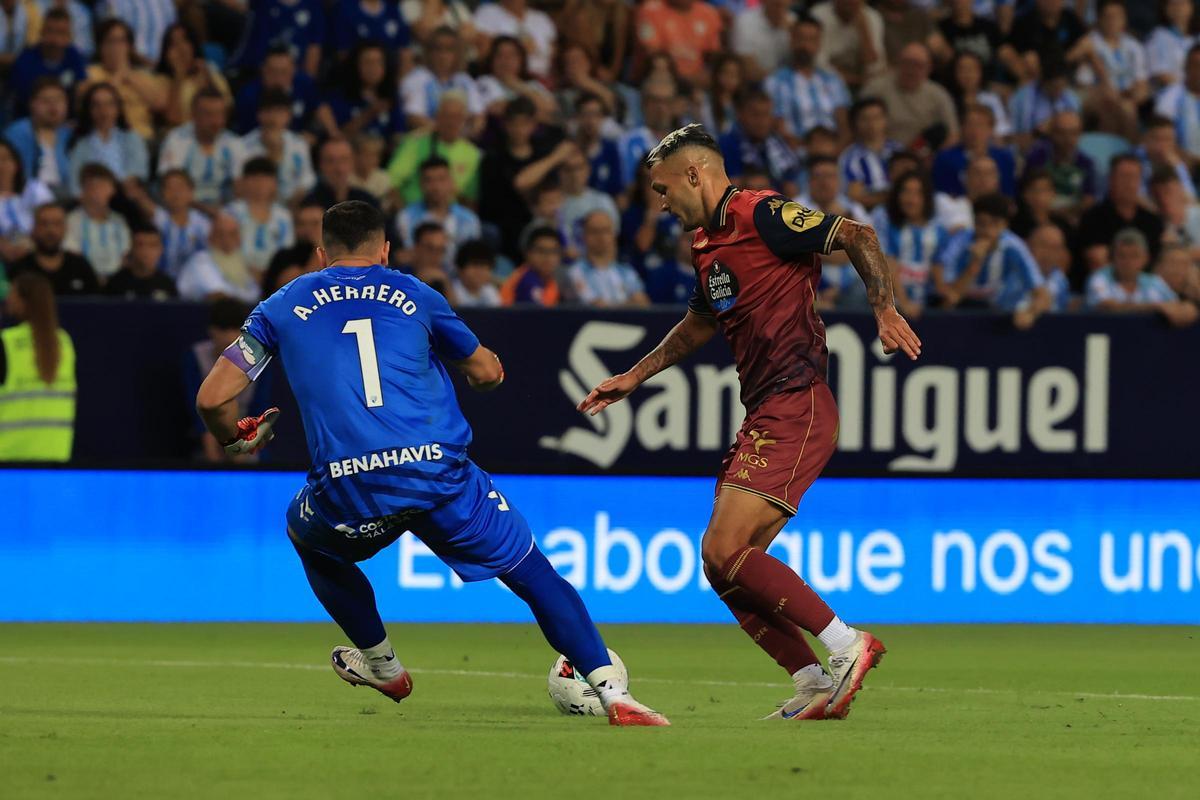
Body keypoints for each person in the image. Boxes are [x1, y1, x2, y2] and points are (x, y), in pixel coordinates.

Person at [194, 200, 668, 725]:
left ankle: (383, 665)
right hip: (438, 475)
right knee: (531, 571)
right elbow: (486, 372)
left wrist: (235, 438)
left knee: (307, 538)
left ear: (322, 254)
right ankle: (613, 693)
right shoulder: (416, 294)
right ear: (385, 250)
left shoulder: (280, 306)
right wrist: (480, 371)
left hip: (351, 485)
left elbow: (212, 399)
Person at [577, 125, 920, 720]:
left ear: (694, 174)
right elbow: (700, 323)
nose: (661, 203)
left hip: (797, 402)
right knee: (723, 566)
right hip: (766, 409)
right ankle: (812, 681)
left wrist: (883, 308)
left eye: (663, 189)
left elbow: (856, 234)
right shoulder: (705, 245)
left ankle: (847, 644)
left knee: (723, 546)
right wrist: (635, 375)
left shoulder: (760, 213)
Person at [0, 271, 75, 462]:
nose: (7, 299)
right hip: (56, 456)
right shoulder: (65, 343)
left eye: (12, 293)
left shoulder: (7, 343)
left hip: (9, 459)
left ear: (23, 301)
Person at [933, 192, 1049, 313]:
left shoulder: (1014, 247)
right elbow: (949, 299)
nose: (987, 231)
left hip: (999, 312)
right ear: (974, 223)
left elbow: (1042, 294)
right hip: (959, 311)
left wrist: (1030, 313)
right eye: (981, 223)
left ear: (1005, 225)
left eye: (995, 224)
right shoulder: (959, 242)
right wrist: (974, 265)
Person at [765, 17, 851, 146]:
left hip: (834, 151)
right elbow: (778, 128)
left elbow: (844, 126)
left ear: (819, 44)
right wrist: (809, 150)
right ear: (792, 41)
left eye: (812, 40)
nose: (805, 45)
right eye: (801, 39)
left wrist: (835, 150)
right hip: (795, 152)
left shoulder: (833, 80)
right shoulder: (775, 82)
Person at [386, 91, 481, 206]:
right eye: (447, 116)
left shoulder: (472, 153)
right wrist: (405, 212)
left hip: (451, 214)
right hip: (414, 210)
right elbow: (390, 182)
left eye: (457, 116)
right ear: (438, 117)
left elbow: (470, 198)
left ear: (464, 119)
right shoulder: (415, 143)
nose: (452, 122)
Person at [78, 18, 167, 141]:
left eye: (121, 41)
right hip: (105, 138)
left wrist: (130, 77)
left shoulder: (142, 75)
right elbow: (86, 103)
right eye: (110, 41)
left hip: (142, 137)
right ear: (100, 47)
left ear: (129, 47)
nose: (116, 47)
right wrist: (118, 76)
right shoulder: (90, 73)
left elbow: (160, 104)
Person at [1076, 154, 1165, 274]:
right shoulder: (1093, 218)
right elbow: (1096, 261)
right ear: (1111, 179)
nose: (1129, 183)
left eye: (1134, 177)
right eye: (1124, 177)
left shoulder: (1152, 221)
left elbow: (1159, 261)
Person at [158, 87, 245, 209]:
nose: (216, 121)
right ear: (193, 115)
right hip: (185, 210)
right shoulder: (177, 139)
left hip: (225, 211)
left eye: (220, 114)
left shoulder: (234, 142)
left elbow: (241, 187)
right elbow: (172, 188)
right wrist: (210, 213)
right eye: (209, 115)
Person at [861, 42, 959, 150]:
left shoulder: (939, 95)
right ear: (898, 63)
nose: (911, 70)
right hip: (880, 152)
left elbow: (953, 135)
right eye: (907, 63)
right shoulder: (875, 89)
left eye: (918, 65)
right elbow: (857, 126)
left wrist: (935, 157)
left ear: (929, 68)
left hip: (923, 155)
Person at [881, 170, 948, 320]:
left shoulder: (939, 230)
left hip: (927, 306)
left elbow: (938, 269)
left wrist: (944, 299)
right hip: (892, 306)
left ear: (926, 198)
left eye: (917, 193)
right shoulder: (887, 225)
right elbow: (888, 265)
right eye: (906, 192)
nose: (911, 199)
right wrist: (904, 302)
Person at [395, 156, 481, 270]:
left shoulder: (469, 220)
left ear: (451, 182)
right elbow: (411, 255)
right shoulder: (406, 217)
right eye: (429, 180)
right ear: (421, 184)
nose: (436, 187)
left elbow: (472, 260)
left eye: (441, 179)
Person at [66, 82, 150, 199]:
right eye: (96, 105)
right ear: (88, 110)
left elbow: (138, 172)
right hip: (92, 199)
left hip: (126, 197)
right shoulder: (80, 144)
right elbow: (75, 184)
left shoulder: (131, 138)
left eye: (109, 104)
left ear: (118, 108)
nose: (103, 110)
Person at [719, 87, 803, 199]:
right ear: (740, 114)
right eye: (756, 115)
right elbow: (733, 186)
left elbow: (791, 180)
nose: (762, 121)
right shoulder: (728, 144)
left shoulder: (776, 141)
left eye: (766, 114)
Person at [241, 89, 317, 206]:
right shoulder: (243, 145)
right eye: (268, 111)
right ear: (259, 114)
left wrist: (294, 202)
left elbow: (308, 179)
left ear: (289, 116)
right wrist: (273, 151)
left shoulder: (299, 144)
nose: (273, 118)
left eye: (279, 111)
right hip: (257, 205)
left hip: (295, 205)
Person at [6, 8, 86, 118]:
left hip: (66, 121)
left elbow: (80, 93)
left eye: (61, 32)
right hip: (29, 119)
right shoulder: (25, 60)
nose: (55, 39)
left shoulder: (74, 56)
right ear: (41, 32)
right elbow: (24, 100)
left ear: (69, 36)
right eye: (50, 31)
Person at [5, 202, 100, 295]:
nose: (51, 230)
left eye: (57, 223)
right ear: (34, 228)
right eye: (44, 223)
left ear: (65, 228)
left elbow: (97, 301)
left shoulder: (80, 266)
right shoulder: (20, 269)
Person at [400, 26, 482, 133]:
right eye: (438, 49)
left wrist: (465, 132)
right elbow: (413, 117)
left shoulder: (465, 80)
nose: (443, 55)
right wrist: (447, 133)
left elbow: (478, 116)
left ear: (457, 54)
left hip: (460, 138)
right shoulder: (416, 79)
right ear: (429, 52)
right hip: (428, 137)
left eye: (449, 50)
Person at [1086, 228, 1183, 316]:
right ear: (1112, 258)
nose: (1128, 262)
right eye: (1122, 256)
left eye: (1134, 256)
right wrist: (1155, 307)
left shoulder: (1154, 282)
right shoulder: (1099, 278)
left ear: (1146, 258)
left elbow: (1177, 306)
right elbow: (1106, 307)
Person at [1020, 110, 1097, 220]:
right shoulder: (1036, 159)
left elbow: (1089, 199)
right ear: (1051, 133)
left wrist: (1066, 213)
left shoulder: (1086, 163)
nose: (1067, 139)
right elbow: (1026, 194)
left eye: (1073, 133)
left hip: (1073, 219)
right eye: (1062, 133)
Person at [155, 22, 233, 130]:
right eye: (173, 44)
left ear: (193, 45)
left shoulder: (209, 71)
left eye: (185, 41)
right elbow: (173, 120)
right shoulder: (162, 81)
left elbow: (227, 110)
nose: (181, 48)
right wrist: (179, 77)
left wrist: (208, 80)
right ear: (166, 54)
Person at [931, 103, 1017, 199]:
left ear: (991, 129)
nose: (974, 130)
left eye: (980, 125)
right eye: (969, 124)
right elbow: (942, 195)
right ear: (962, 128)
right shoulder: (945, 159)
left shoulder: (1004, 158)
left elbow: (1008, 193)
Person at [2, 78, 71, 197]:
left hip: (64, 197)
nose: (53, 106)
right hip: (27, 196)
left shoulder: (68, 134)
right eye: (46, 101)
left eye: (58, 100)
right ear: (32, 104)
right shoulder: (16, 133)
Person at [225, 156, 294, 274]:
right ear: (243, 182)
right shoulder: (231, 213)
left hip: (274, 275)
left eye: (265, 179)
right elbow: (227, 249)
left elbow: (287, 252)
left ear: (274, 183)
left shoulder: (283, 217)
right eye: (254, 179)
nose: (260, 184)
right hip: (239, 272)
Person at [63, 162, 131, 282]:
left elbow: (126, 255)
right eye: (94, 186)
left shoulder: (120, 221)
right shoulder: (71, 220)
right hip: (85, 282)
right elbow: (73, 257)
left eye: (105, 186)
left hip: (117, 283)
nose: (99, 191)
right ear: (83, 190)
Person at [568, 209, 647, 308]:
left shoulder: (626, 271)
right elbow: (598, 307)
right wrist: (629, 304)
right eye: (594, 231)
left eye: (606, 231)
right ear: (584, 235)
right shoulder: (576, 271)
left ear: (614, 235)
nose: (601, 236)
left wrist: (615, 306)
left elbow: (643, 304)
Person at [176, 211, 258, 303]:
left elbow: (253, 295)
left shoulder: (245, 265)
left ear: (239, 238)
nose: (226, 240)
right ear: (210, 237)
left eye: (232, 234)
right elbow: (218, 295)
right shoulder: (200, 262)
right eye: (220, 234)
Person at [632, 0, 721, 83]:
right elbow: (652, 55)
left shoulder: (709, 13)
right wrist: (687, 80)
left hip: (696, 83)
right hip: (655, 81)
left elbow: (713, 55)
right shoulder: (649, 10)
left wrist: (711, 75)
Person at [839, 98, 901, 210]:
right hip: (869, 213)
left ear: (886, 120)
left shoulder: (898, 149)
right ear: (855, 124)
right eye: (865, 119)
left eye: (877, 118)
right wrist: (891, 198)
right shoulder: (850, 157)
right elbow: (855, 197)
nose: (872, 124)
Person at [810, 0, 885, 91]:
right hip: (825, 81)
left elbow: (875, 66)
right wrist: (854, 79)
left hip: (861, 83)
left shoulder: (872, 17)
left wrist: (864, 31)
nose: (850, 2)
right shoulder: (818, 15)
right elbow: (818, 62)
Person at [473, 0, 557, 81]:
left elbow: (554, 53)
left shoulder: (541, 18)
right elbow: (482, 51)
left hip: (543, 79)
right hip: (505, 79)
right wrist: (518, 49)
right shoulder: (487, 12)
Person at [0, 138, 53, 264]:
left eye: (5, 159)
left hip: (38, 252)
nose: (1, 166)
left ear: (16, 163)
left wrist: (32, 245)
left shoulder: (35, 190)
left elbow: (52, 220)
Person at [153, 168, 210, 279]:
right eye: (169, 188)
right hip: (162, 282)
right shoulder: (157, 222)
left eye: (180, 188)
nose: (175, 193)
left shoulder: (203, 224)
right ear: (162, 194)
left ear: (191, 192)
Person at [103, 224, 177, 300]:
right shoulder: (115, 284)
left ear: (161, 249)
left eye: (152, 245)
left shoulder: (168, 285)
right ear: (131, 248)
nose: (146, 251)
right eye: (140, 245)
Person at [1154, 44, 1200, 163]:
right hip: (1182, 162)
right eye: (1196, 65)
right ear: (1186, 67)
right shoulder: (1169, 97)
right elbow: (1162, 140)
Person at [731, 0, 795, 80]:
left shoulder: (794, 24)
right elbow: (748, 70)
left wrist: (792, 33)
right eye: (776, 4)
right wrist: (781, 80)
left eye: (784, 6)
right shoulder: (745, 21)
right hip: (754, 84)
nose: (780, 10)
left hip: (786, 82)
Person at [500, 224, 561, 305]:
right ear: (528, 254)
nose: (548, 257)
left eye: (553, 251)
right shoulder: (526, 280)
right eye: (541, 251)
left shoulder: (551, 280)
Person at [1147, 0, 1197, 88]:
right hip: (1173, 91)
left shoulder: (1197, 37)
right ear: (1165, 9)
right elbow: (1161, 75)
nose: (1178, 8)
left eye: (1182, 4)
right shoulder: (1157, 37)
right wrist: (1190, 90)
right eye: (1173, 4)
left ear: (1191, 7)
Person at [450, 239, 501, 307]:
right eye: (475, 265)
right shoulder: (451, 291)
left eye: (484, 267)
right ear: (460, 269)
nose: (479, 272)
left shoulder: (491, 291)